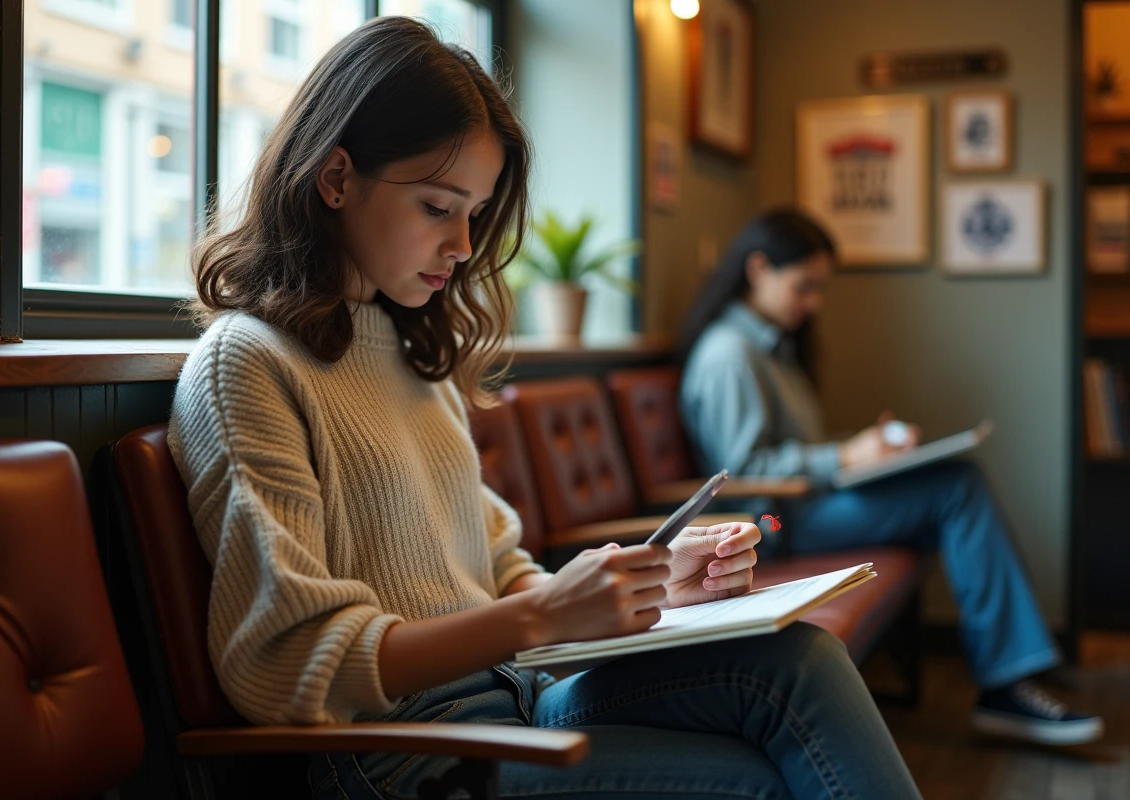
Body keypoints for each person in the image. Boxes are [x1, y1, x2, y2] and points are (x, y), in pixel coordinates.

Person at [168, 19, 923, 799]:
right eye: (438, 207)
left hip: (511, 700)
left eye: (476, 213)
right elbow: (284, 662)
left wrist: (657, 586)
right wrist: (538, 621)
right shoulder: (248, 363)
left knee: (798, 662)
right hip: (394, 754)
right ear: (335, 178)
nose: (464, 245)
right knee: (761, 784)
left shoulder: (410, 354)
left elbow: (498, 573)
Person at [677, 208, 1103, 747]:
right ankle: (1007, 676)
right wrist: (844, 457)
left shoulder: (771, 349)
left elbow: (790, 452)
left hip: (796, 509)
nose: (813, 304)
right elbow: (745, 473)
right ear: (758, 268)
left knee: (953, 489)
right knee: (956, 488)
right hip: (769, 523)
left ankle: (1013, 667)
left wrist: (866, 454)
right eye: (804, 287)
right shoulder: (728, 356)